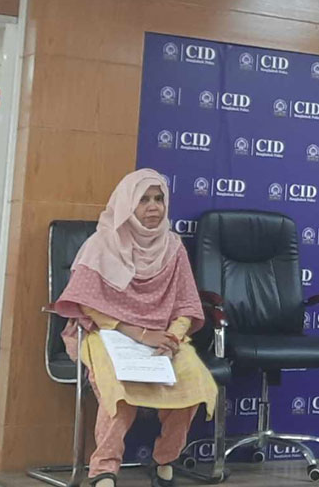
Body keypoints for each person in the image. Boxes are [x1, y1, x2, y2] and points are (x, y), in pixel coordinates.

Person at [54, 169, 216, 487]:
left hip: (162, 336)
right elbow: (88, 303)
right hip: (107, 333)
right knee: (118, 388)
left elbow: (186, 304)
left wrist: (173, 337)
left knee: (192, 381)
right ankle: (103, 468)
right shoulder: (101, 244)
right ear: (127, 204)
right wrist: (139, 333)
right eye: (143, 200)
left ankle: (165, 459)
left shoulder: (173, 247)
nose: (153, 207)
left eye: (158, 199)